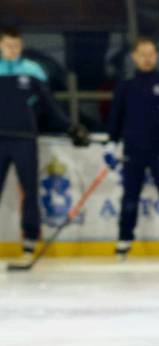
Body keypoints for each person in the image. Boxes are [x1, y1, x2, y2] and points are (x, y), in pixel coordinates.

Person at [0, 26, 90, 266]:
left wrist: (72, 128)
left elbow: (50, 108)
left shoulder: (32, 71)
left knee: (29, 190)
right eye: (8, 46)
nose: (13, 50)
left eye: (17, 46)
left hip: (25, 139)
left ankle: (30, 241)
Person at [107, 36, 159, 259]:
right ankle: (124, 241)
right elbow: (116, 117)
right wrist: (111, 143)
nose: (147, 59)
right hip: (133, 151)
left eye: (151, 54)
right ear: (134, 57)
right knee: (130, 199)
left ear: (156, 56)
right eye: (142, 54)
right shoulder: (126, 85)